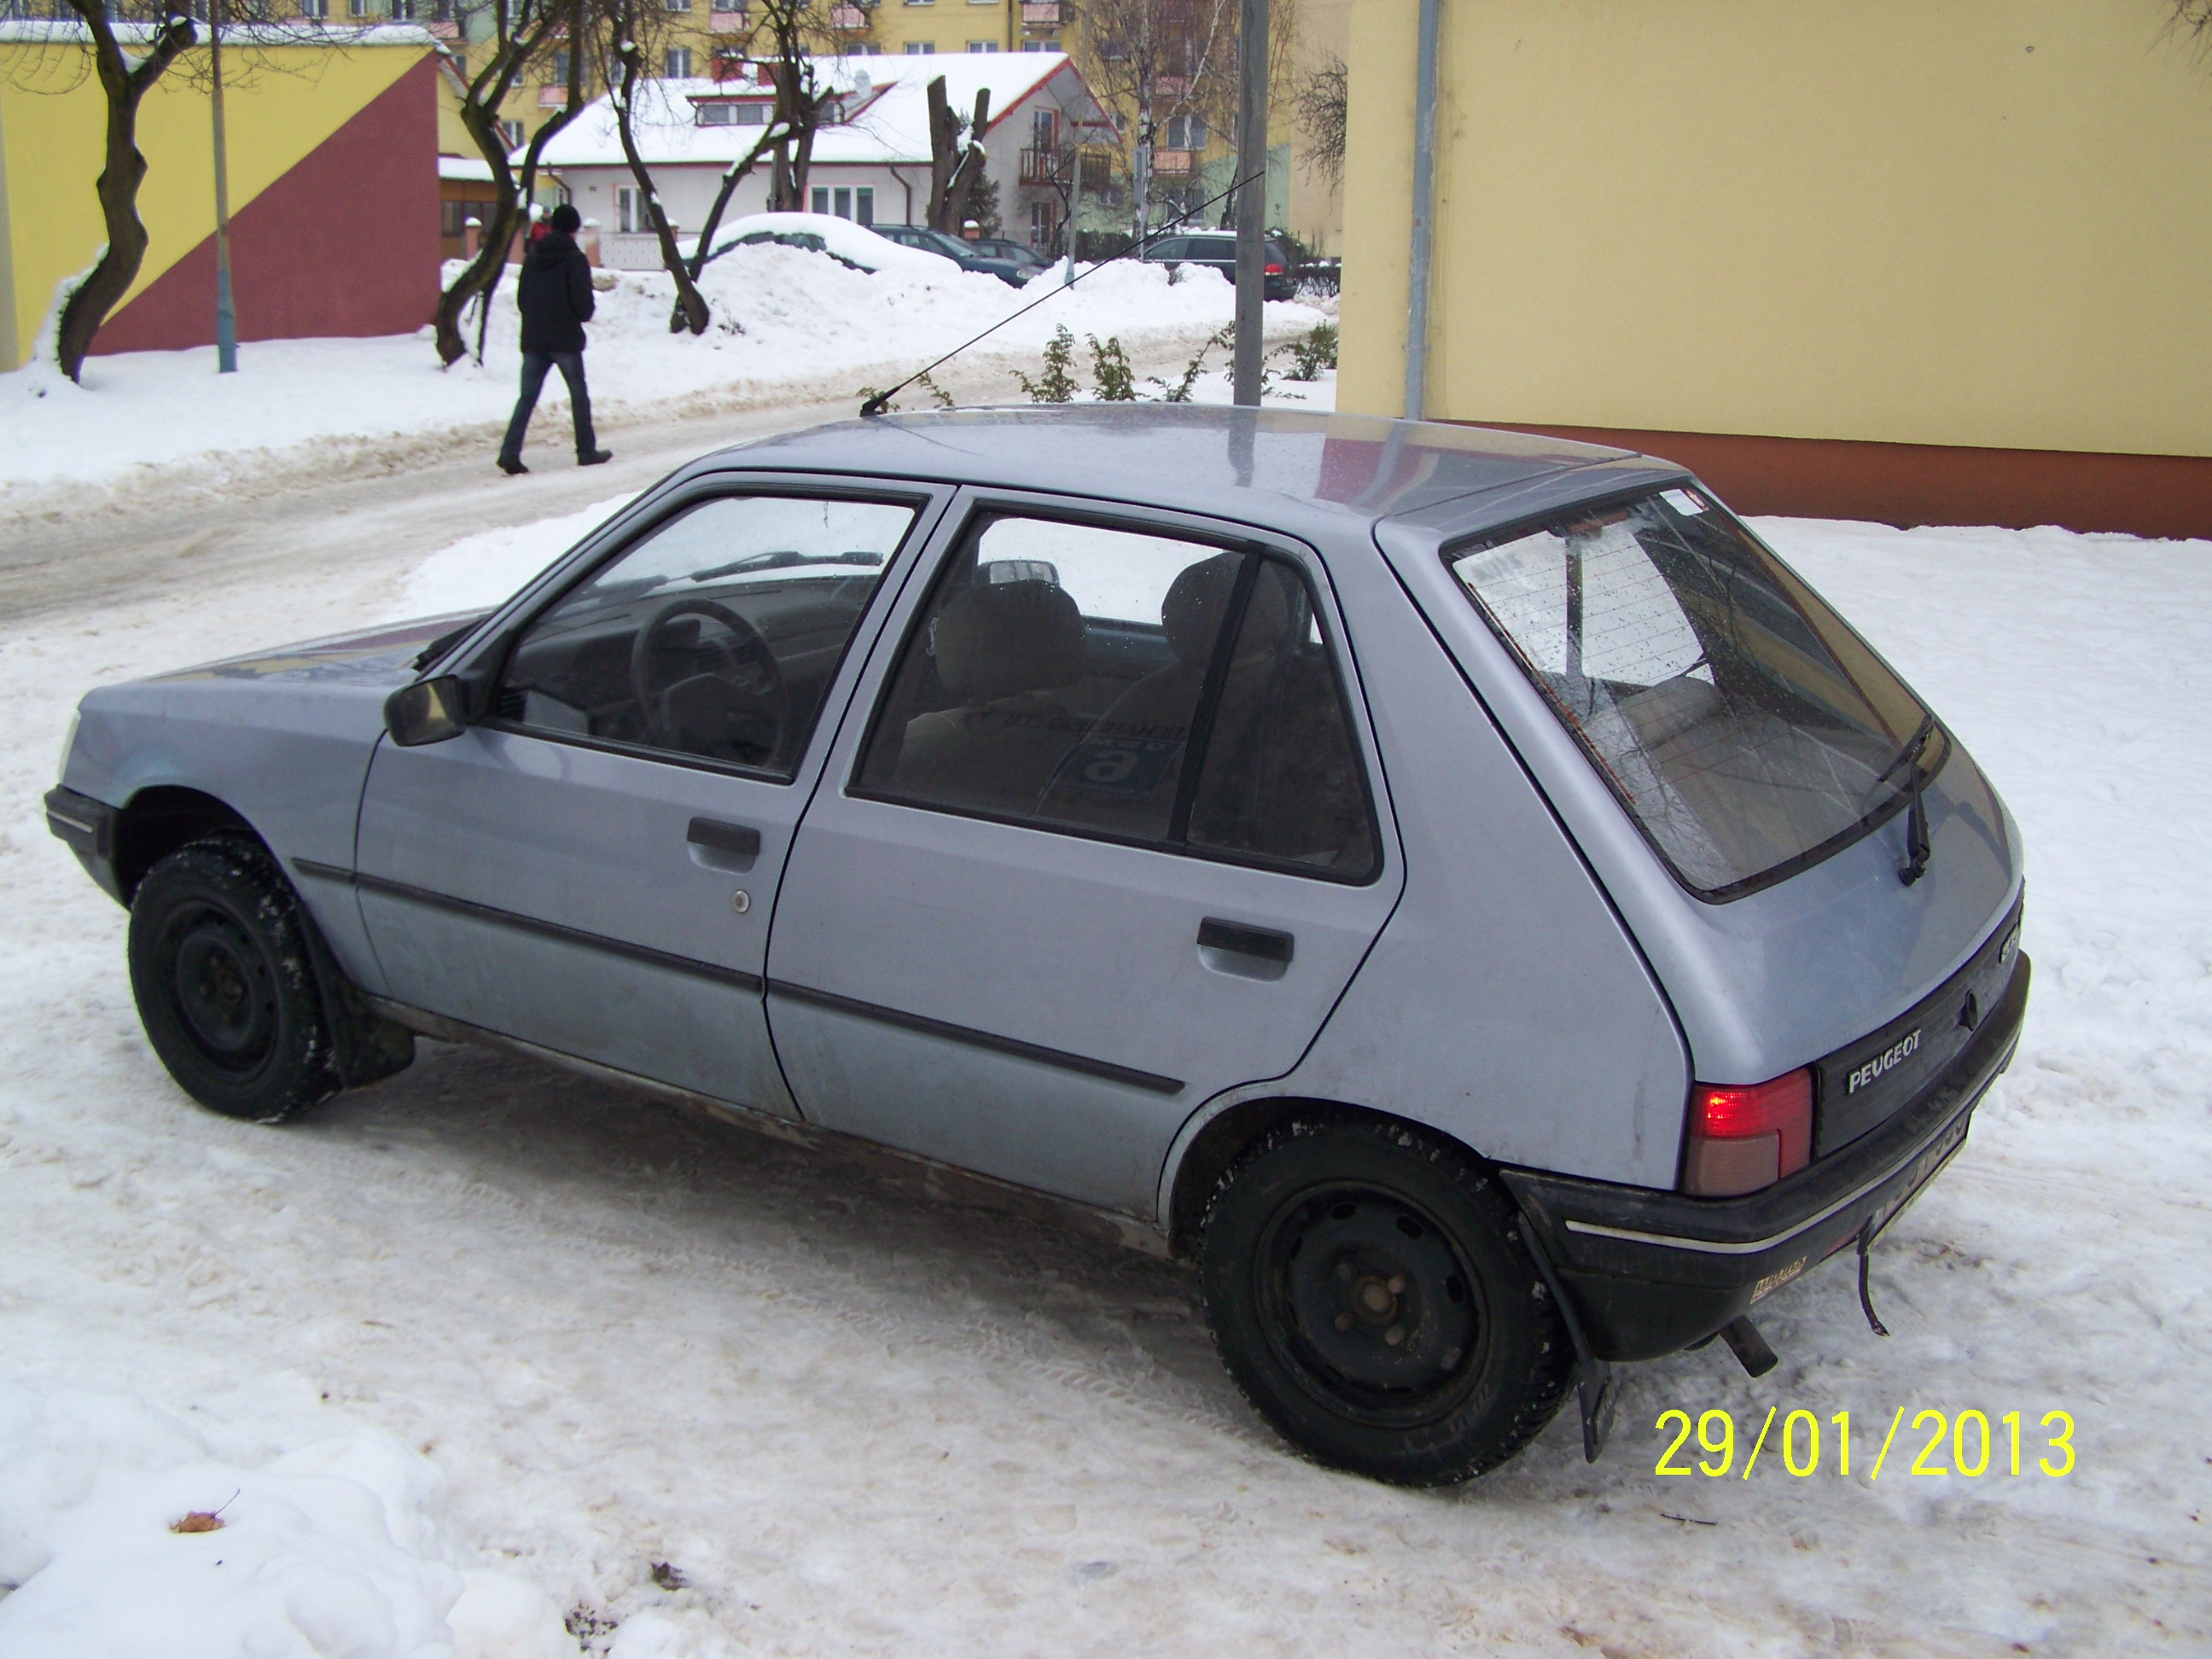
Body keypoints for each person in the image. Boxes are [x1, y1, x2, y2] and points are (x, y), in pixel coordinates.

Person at [498, 202, 613, 475]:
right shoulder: (575, 259)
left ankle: (509, 452)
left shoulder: (534, 255)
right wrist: (577, 315)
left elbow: (522, 298)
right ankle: (586, 450)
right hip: (565, 338)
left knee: (527, 396)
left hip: (534, 337)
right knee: (578, 394)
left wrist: (536, 319)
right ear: (574, 229)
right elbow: (583, 305)